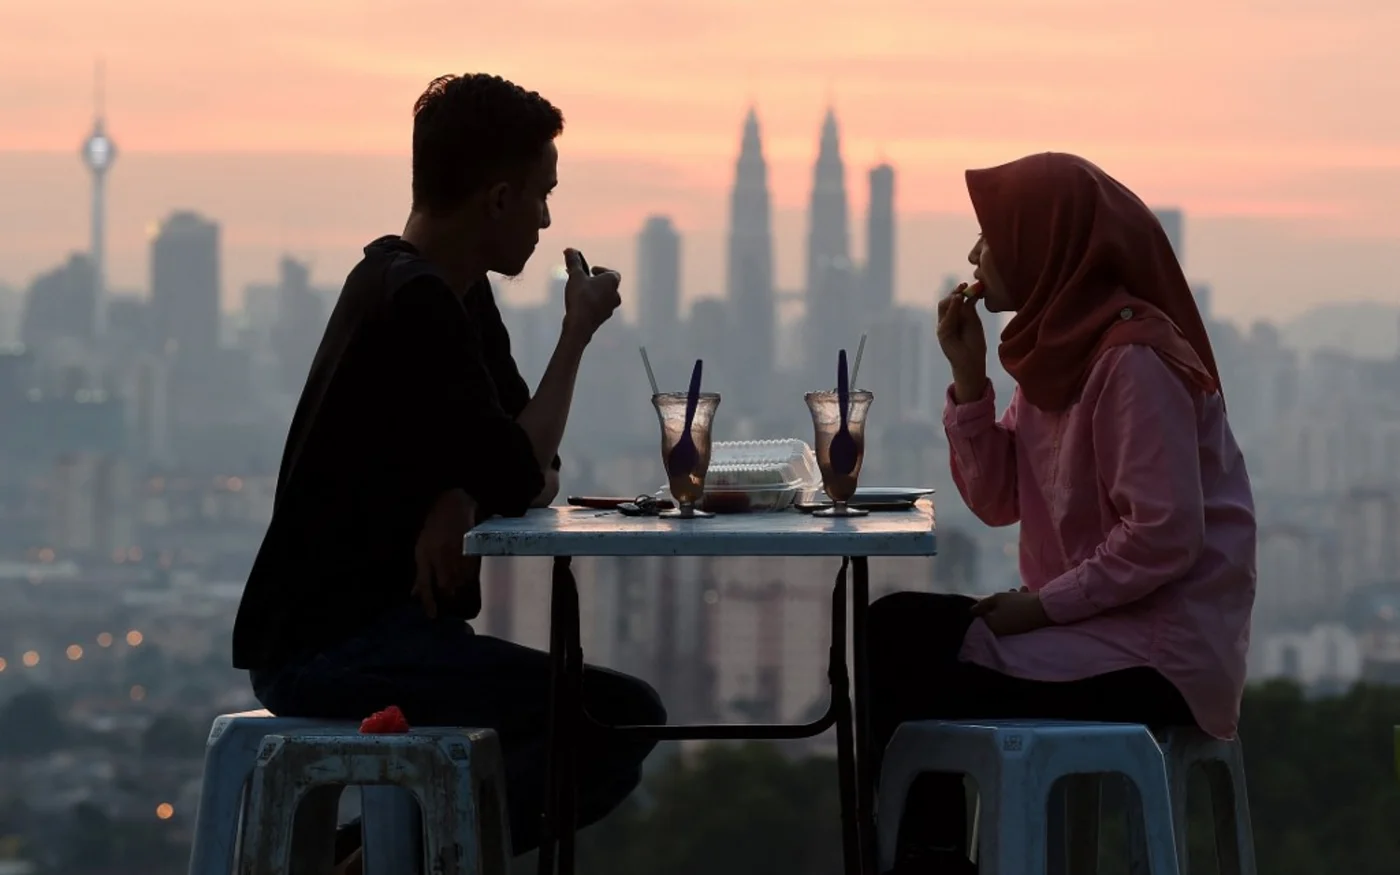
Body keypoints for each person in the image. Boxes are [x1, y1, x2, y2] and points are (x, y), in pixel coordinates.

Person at [230, 74, 666, 873]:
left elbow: (532, 469)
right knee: (618, 716)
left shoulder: (448, 295)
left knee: (596, 716)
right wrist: (575, 336)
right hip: (332, 648)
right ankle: (383, 863)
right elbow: (519, 464)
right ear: (498, 198)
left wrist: (459, 489)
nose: (544, 220)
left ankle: (364, 860)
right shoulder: (416, 300)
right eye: (540, 196)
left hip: (380, 634)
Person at [868, 153, 1256, 874]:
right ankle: (929, 857)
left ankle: (927, 862)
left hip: (1156, 651)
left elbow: (1164, 536)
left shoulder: (1131, 361)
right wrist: (967, 377)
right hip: (1092, 627)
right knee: (894, 630)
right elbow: (998, 501)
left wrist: (1041, 608)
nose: (978, 254)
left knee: (902, 646)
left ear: (1045, 244)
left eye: (994, 235)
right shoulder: (1059, 351)